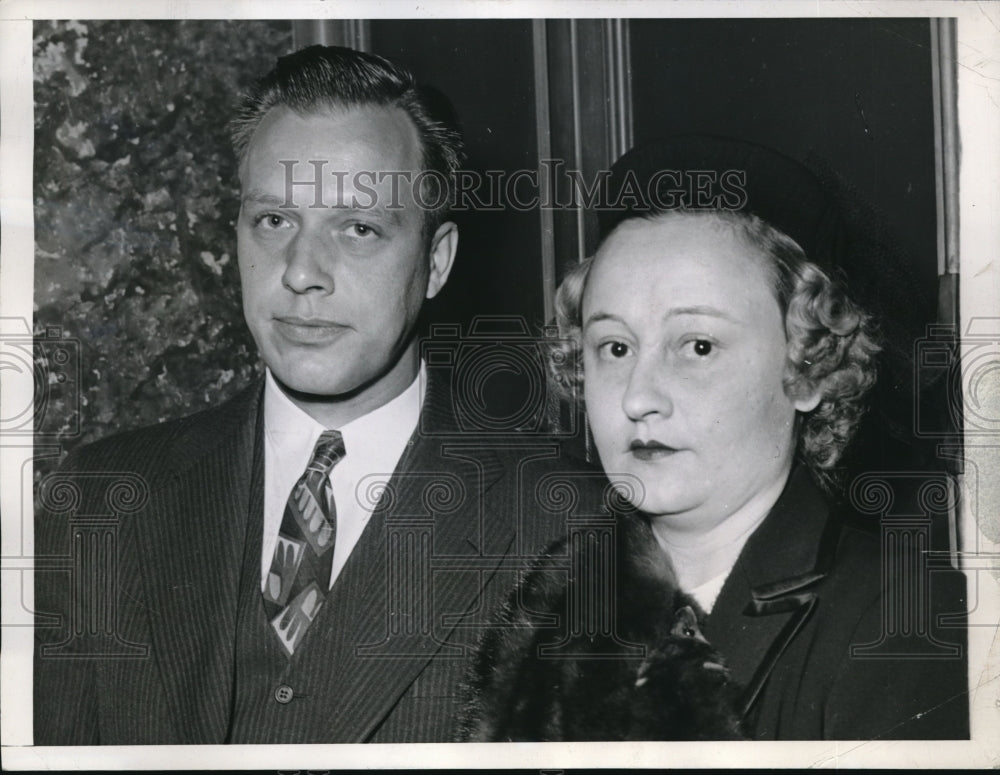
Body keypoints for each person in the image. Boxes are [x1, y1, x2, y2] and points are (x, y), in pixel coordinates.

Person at [33, 45, 573, 745]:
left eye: (358, 229)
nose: (301, 273)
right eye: (275, 221)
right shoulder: (100, 501)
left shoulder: (562, 524)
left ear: (435, 262)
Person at [459, 136, 969, 741]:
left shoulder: (905, 620)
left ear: (808, 366)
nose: (637, 396)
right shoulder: (557, 601)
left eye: (697, 346)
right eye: (615, 348)